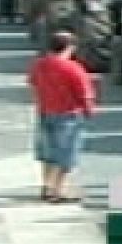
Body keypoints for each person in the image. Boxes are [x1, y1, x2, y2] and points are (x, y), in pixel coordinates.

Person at [27, 31, 96, 203]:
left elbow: (32, 83)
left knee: (48, 153)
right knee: (65, 155)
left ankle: (46, 186)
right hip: (68, 115)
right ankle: (58, 190)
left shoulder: (39, 65)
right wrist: (89, 110)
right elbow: (85, 93)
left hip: (45, 112)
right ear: (70, 47)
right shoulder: (73, 68)